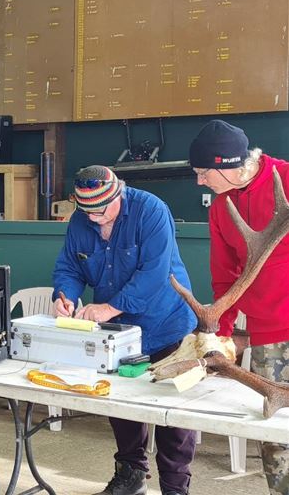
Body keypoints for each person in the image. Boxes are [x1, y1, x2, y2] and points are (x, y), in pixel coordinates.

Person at [52, 165, 198, 495]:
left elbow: (154, 274)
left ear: (118, 194)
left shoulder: (152, 211)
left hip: (168, 325)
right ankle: (131, 477)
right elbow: (69, 267)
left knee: (172, 416)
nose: (94, 218)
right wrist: (65, 296)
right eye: (86, 211)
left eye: (101, 210)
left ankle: (176, 488)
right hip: (120, 333)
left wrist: (108, 308)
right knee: (121, 408)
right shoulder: (82, 219)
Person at [189, 119, 289, 495]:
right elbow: (223, 276)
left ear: (227, 165)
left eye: (202, 173)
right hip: (267, 333)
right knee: (274, 431)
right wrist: (222, 334)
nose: (199, 181)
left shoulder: (286, 178)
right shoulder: (221, 207)